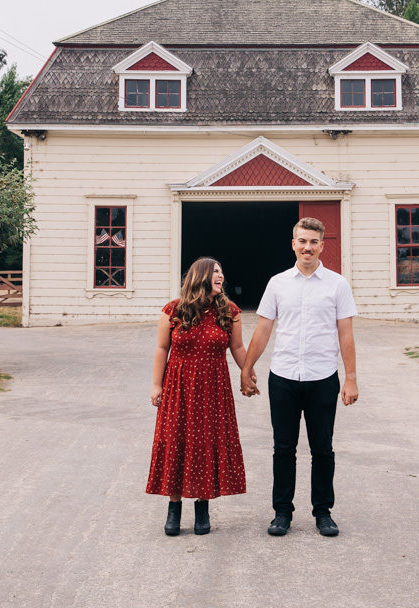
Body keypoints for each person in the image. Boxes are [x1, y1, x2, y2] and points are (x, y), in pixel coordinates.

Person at [240, 216, 359, 538]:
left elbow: (345, 334)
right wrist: (246, 368)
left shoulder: (337, 284)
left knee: (322, 449)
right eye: (302, 241)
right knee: (283, 448)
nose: (308, 247)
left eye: (314, 242)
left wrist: (350, 378)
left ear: (322, 245)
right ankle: (282, 512)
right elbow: (263, 329)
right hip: (283, 377)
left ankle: (323, 513)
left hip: (322, 377)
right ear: (293, 243)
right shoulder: (277, 284)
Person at [146, 257, 249, 536]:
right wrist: (157, 386)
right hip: (178, 386)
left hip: (214, 388)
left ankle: (202, 507)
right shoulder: (174, 309)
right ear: (200, 276)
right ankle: (174, 507)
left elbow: (238, 348)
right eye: (215, 272)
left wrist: (247, 373)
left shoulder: (229, 310)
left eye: (221, 272)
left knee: (205, 442)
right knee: (176, 440)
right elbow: (161, 349)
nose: (221, 276)